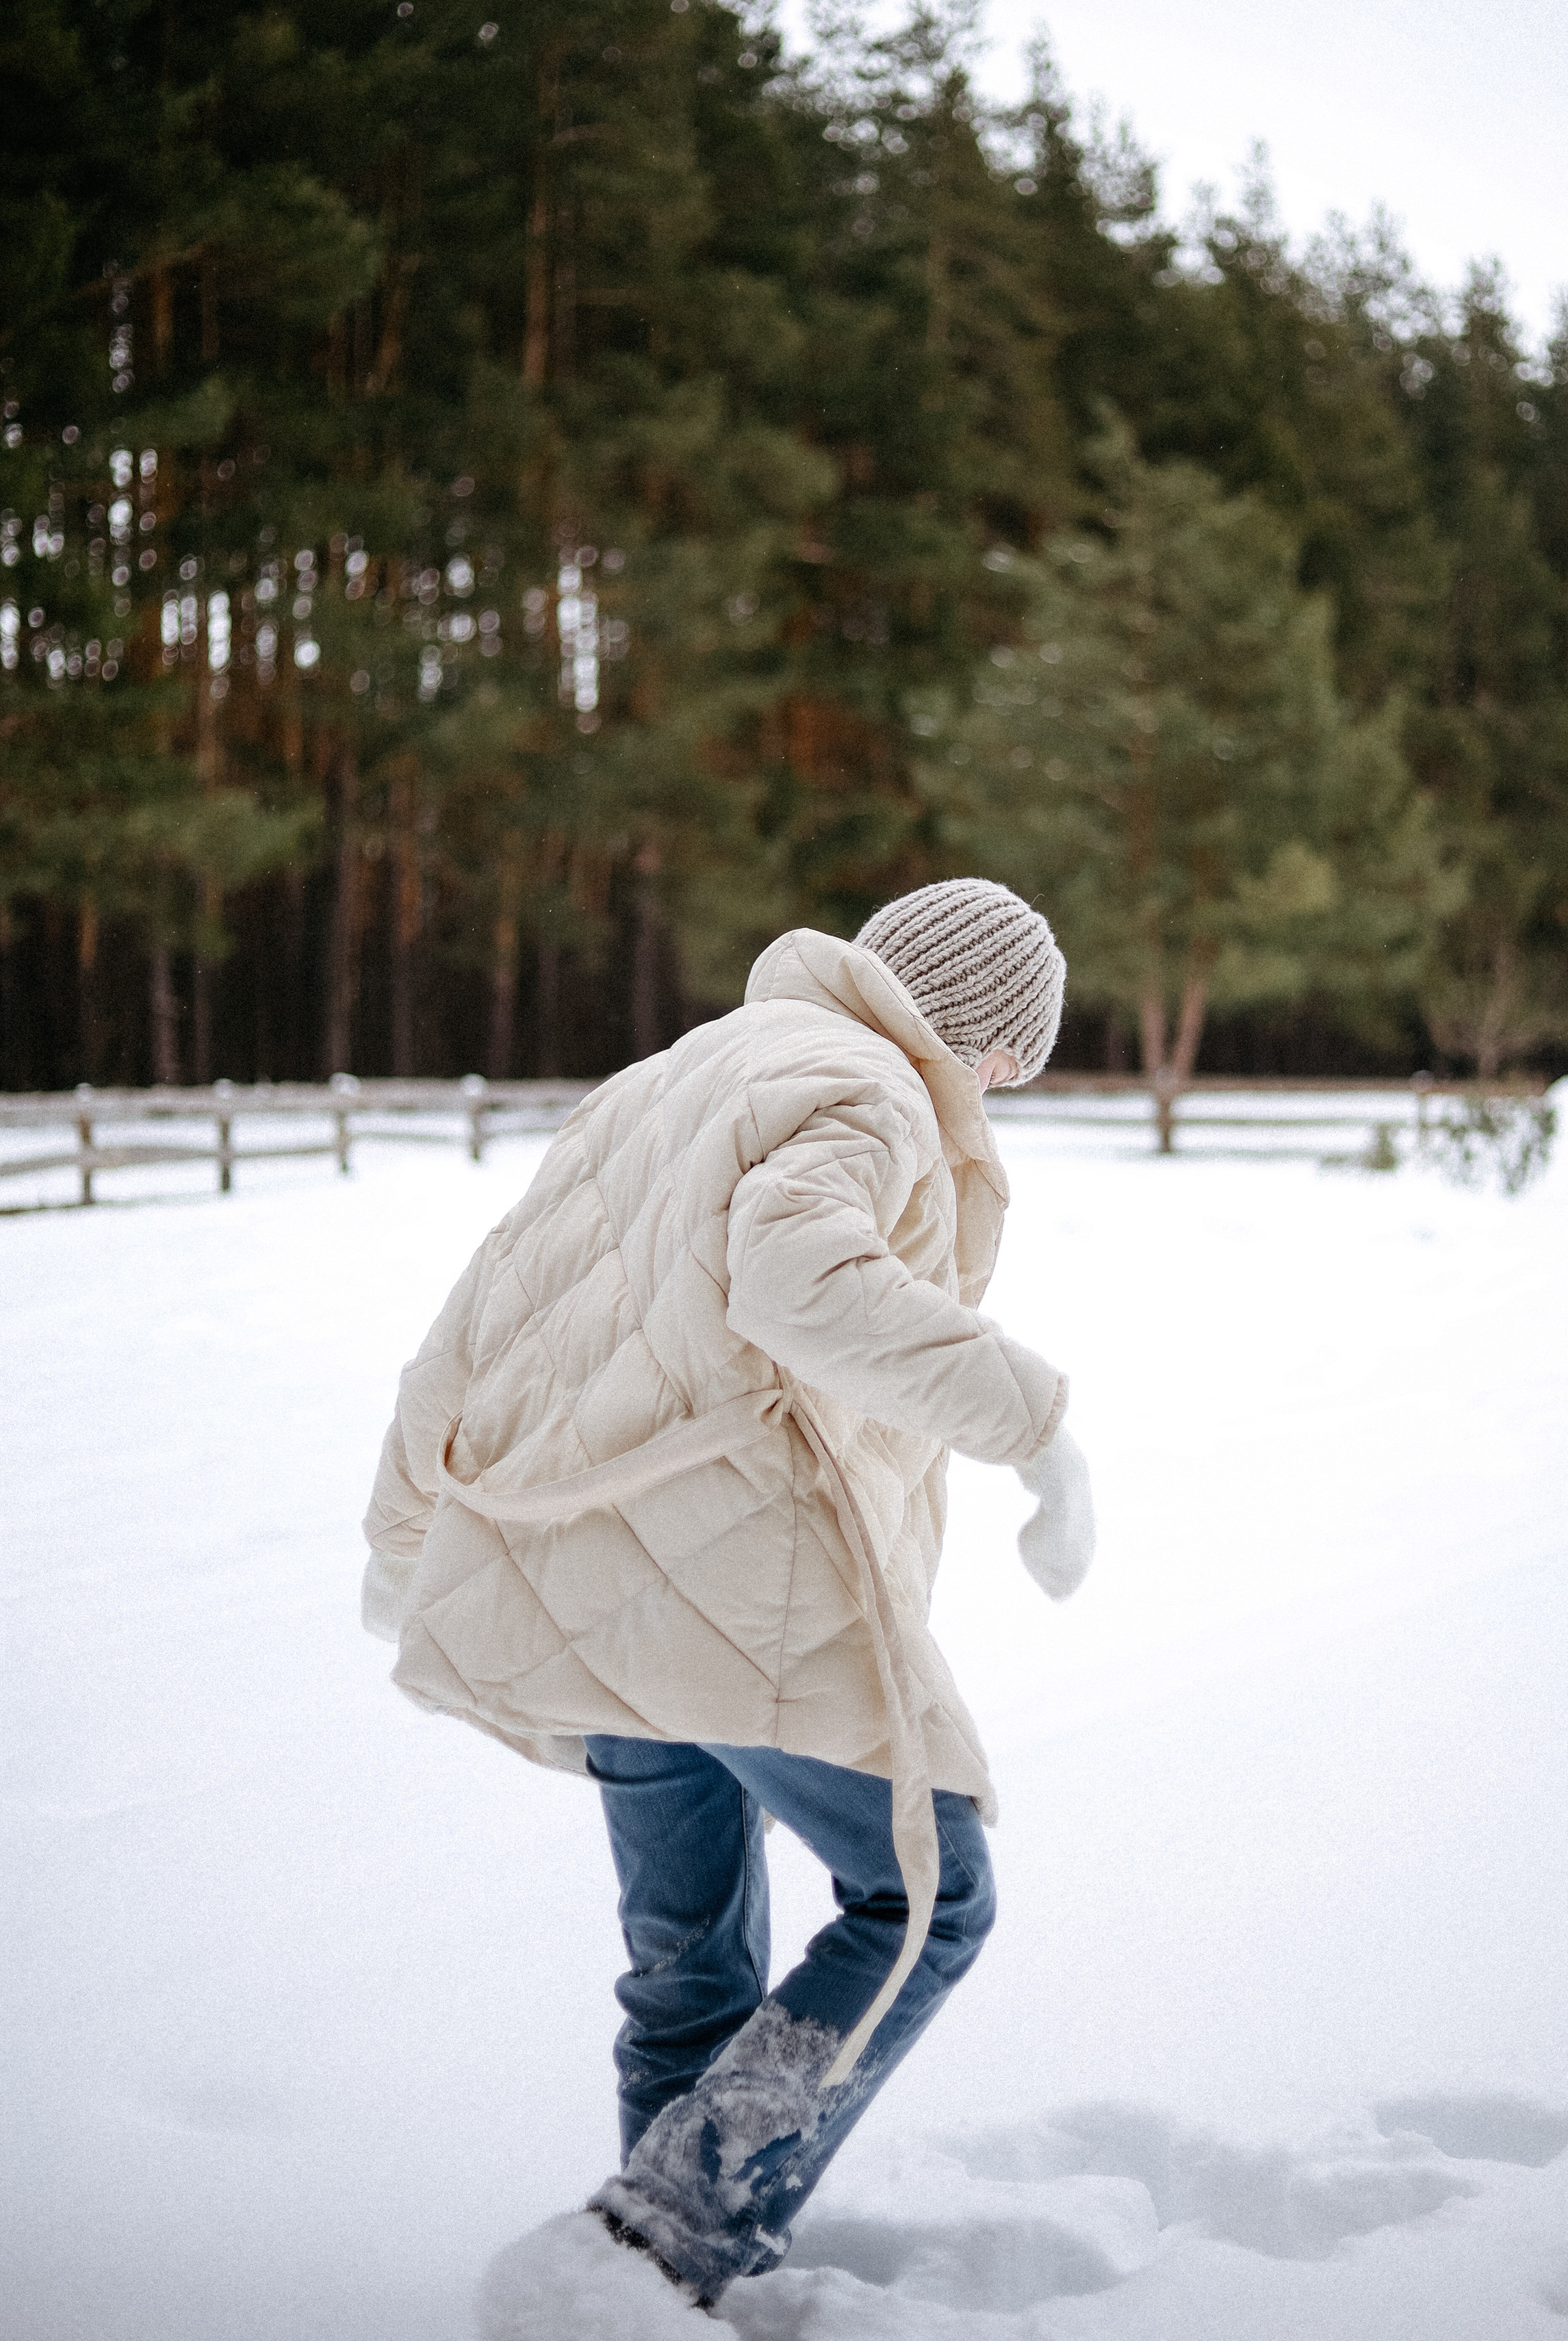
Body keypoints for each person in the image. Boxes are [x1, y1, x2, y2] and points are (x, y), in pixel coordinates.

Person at [360, 879, 1097, 2333]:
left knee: (688, 1969)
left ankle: (647, 2293)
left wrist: (406, 1538)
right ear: (976, 1032)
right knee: (922, 1898)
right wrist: (1038, 1430)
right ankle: (667, 2236)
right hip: (726, 1574)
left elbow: (482, 1310)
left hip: (588, 1583)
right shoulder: (872, 1089)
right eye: (1014, 1052)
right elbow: (793, 1276)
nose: (1007, 1087)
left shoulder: (675, 1075)